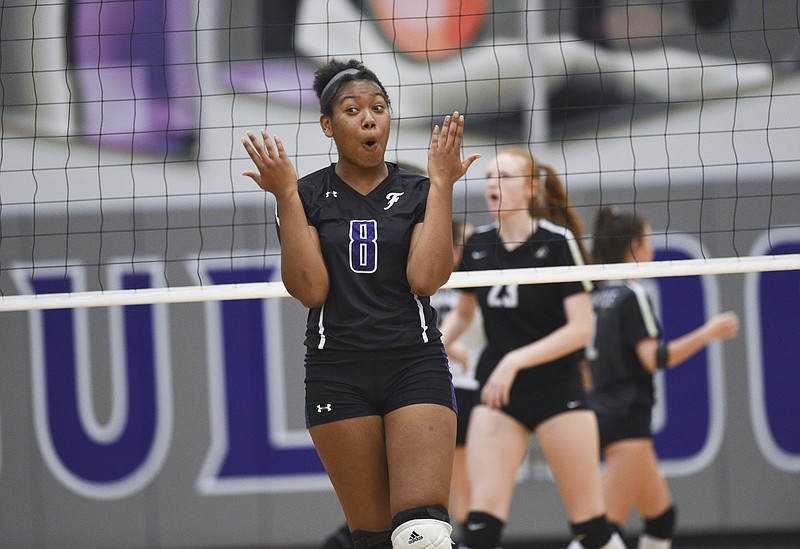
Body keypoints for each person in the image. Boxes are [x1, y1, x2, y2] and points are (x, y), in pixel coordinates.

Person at [241, 58, 480, 549]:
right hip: (338, 371)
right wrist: (285, 194)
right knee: (372, 538)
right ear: (328, 125)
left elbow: (427, 278)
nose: (370, 118)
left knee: (424, 534)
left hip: (413, 363)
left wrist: (442, 186)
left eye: (379, 107)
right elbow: (310, 290)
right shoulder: (305, 193)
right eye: (353, 110)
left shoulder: (418, 189)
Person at [440, 148, 625, 549]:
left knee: (590, 527)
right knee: (480, 527)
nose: (493, 184)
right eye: (489, 177)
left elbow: (581, 330)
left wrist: (515, 359)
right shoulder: (477, 246)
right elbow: (464, 312)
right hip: (500, 394)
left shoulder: (558, 243)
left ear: (530, 188)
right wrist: (436, 344)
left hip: (558, 389)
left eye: (504, 176)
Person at [319, 218, 485, 549]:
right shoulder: (398, 272)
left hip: (448, 388)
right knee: (390, 516)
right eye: (463, 240)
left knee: (433, 522)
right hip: (384, 383)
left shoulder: (469, 277)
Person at [587, 207, 740, 549]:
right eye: (649, 241)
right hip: (627, 418)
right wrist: (708, 333)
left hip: (605, 413)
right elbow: (654, 358)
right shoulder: (631, 294)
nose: (653, 250)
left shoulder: (595, 295)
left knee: (661, 518)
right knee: (600, 533)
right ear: (634, 246)